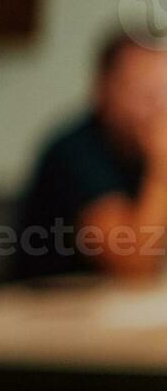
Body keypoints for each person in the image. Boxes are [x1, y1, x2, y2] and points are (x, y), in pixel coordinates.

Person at [15, 29, 167, 280]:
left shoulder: (143, 149)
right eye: (145, 93)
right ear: (103, 89)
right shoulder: (74, 153)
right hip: (49, 307)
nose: (159, 108)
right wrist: (161, 170)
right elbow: (133, 263)